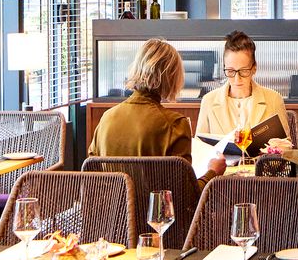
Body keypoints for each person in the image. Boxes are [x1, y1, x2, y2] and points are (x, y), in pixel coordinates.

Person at [88, 37, 228, 182]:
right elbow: (186, 197)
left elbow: (93, 178)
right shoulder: (175, 125)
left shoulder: (106, 118)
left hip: (114, 204)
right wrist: (212, 172)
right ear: (173, 77)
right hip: (156, 205)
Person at [195, 30, 292, 150]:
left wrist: (270, 150)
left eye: (243, 71)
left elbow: (286, 146)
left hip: (260, 167)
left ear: (254, 68)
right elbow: (199, 147)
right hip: (223, 168)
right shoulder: (209, 100)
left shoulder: (273, 99)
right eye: (230, 71)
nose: (237, 78)